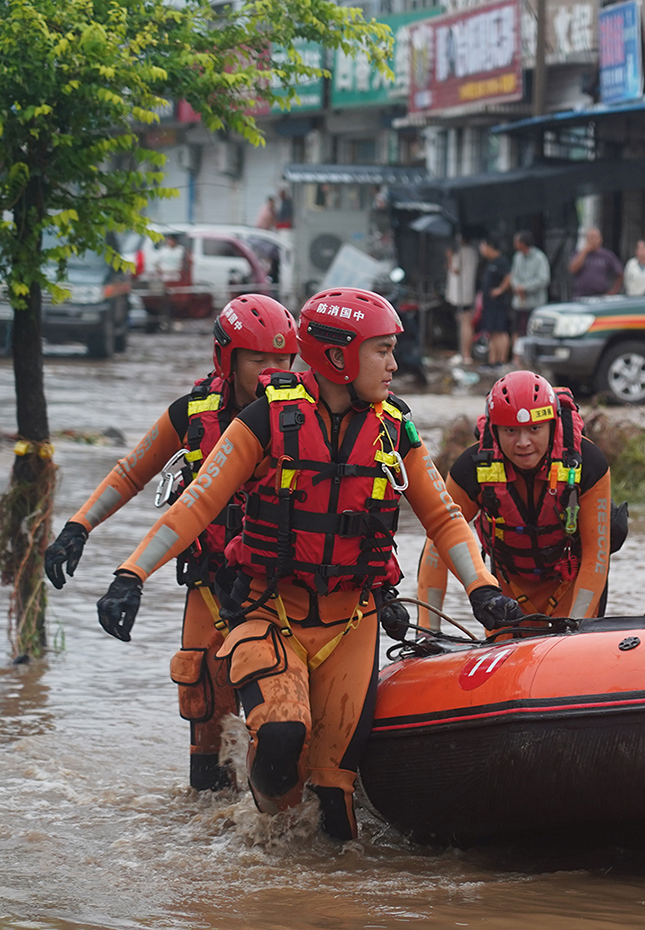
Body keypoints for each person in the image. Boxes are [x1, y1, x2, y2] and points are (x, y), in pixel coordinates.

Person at [93, 288, 522, 840]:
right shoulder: (267, 419)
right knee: (279, 741)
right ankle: (253, 850)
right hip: (271, 611)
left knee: (335, 807)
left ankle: (320, 906)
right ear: (338, 357)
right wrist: (130, 575)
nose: (395, 364)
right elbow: (196, 504)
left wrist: (482, 589)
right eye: (382, 350)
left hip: (352, 623)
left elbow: (442, 518)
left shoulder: (394, 428)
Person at [42, 294, 297, 793]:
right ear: (228, 359)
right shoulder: (192, 414)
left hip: (276, 591)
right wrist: (78, 528)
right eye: (259, 360)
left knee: (280, 724)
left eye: (283, 360)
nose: (273, 371)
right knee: (205, 728)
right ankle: (209, 848)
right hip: (209, 586)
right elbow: (131, 472)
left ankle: (288, 838)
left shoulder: (307, 417)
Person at [413, 371, 613, 629]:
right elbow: (437, 547)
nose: (523, 443)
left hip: (571, 586)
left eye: (534, 429)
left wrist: (577, 627)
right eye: (510, 431)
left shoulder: (589, 464)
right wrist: (428, 632)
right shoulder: (472, 468)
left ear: (552, 425)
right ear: (494, 430)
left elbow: (596, 556)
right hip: (506, 593)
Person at [507, 230, 551, 337]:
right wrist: (517, 287)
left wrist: (525, 288)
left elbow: (544, 279)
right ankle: (516, 352)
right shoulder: (517, 257)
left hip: (535, 303)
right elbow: (514, 276)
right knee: (516, 330)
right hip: (519, 303)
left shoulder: (539, 257)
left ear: (523, 243)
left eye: (517, 241)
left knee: (533, 330)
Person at [477, 235, 512, 366]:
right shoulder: (490, 262)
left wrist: (500, 290)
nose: (481, 249)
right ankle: (492, 361)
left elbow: (509, 276)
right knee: (491, 332)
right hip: (489, 304)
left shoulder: (502, 261)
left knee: (500, 332)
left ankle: (501, 360)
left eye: (483, 246)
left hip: (499, 303)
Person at [446, 233, 478, 359]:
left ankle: (465, 354)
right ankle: (465, 353)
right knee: (465, 321)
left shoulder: (460, 252)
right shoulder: (473, 251)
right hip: (469, 291)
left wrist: (450, 257)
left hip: (460, 293)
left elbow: (455, 269)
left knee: (465, 322)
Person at [569, 228, 622, 298]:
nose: (593, 240)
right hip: (581, 295)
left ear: (600, 239)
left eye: (595, 238)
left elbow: (620, 273)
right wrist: (585, 251)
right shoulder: (578, 254)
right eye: (591, 238)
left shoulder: (607, 255)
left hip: (600, 295)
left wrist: (613, 291)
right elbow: (573, 269)